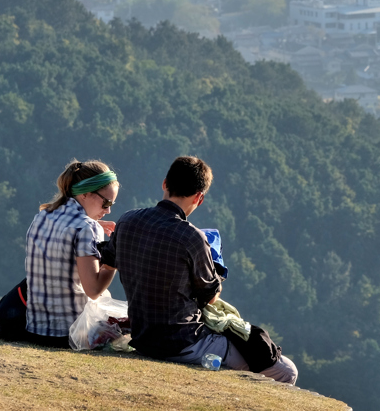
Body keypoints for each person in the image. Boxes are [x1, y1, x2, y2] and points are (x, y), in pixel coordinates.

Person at [108, 156, 297, 384]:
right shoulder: (191, 237)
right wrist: (215, 263)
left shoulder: (128, 221)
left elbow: (110, 256)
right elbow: (210, 297)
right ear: (200, 197)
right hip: (184, 343)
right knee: (287, 371)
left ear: (165, 183)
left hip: (143, 338)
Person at [24, 160, 119, 347]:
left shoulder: (42, 217)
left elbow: (66, 232)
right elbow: (93, 290)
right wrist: (114, 257)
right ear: (85, 194)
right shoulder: (86, 227)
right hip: (71, 336)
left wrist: (94, 225)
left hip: (35, 330)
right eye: (106, 202)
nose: (108, 210)